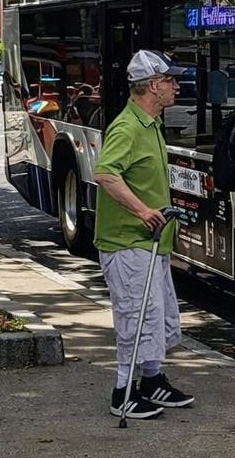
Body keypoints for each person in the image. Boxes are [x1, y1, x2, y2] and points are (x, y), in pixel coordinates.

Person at [93, 49, 195, 420]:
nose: (176, 86)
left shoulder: (149, 124)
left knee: (157, 317)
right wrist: (142, 211)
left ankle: (151, 381)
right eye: (170, 80)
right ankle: (122, 392)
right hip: (128, 242)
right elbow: (105, 174)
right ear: (153, 85)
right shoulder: (127, 127)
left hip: (150, 243)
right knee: (136, 318)